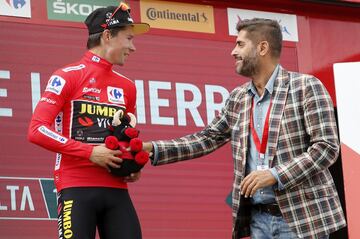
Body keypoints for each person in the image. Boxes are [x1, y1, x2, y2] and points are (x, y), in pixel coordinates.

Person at [143, 18, 346, 239]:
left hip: (301, 221)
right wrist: (152, 148)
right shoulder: (238, 97)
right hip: (258, 221)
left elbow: (326, 148)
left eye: (240, 44)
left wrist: (274, 175)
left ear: (262, 47)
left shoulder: (306, 87)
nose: (233, 52)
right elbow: (206, 139)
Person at [28, 3, 149, 239]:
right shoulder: (67, 76)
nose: (133, 47)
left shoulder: (128, 86)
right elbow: (37, 130)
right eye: (129, 38)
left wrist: (131, 164)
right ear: (107, 35)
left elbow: (126, 135)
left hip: (116, 189)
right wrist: (90, 152)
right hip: (75, 185)